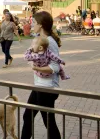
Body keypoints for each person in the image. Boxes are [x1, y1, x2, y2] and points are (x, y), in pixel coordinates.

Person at [21, 11, 62, 139]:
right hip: (40, 86)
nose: (31, 24)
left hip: (47, 88)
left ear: (41, 25)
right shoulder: (41, 39)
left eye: (34, 22)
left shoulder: (50, 42)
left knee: (48, 122)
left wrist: (36, 67)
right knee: (28, 116)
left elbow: (55, 67)